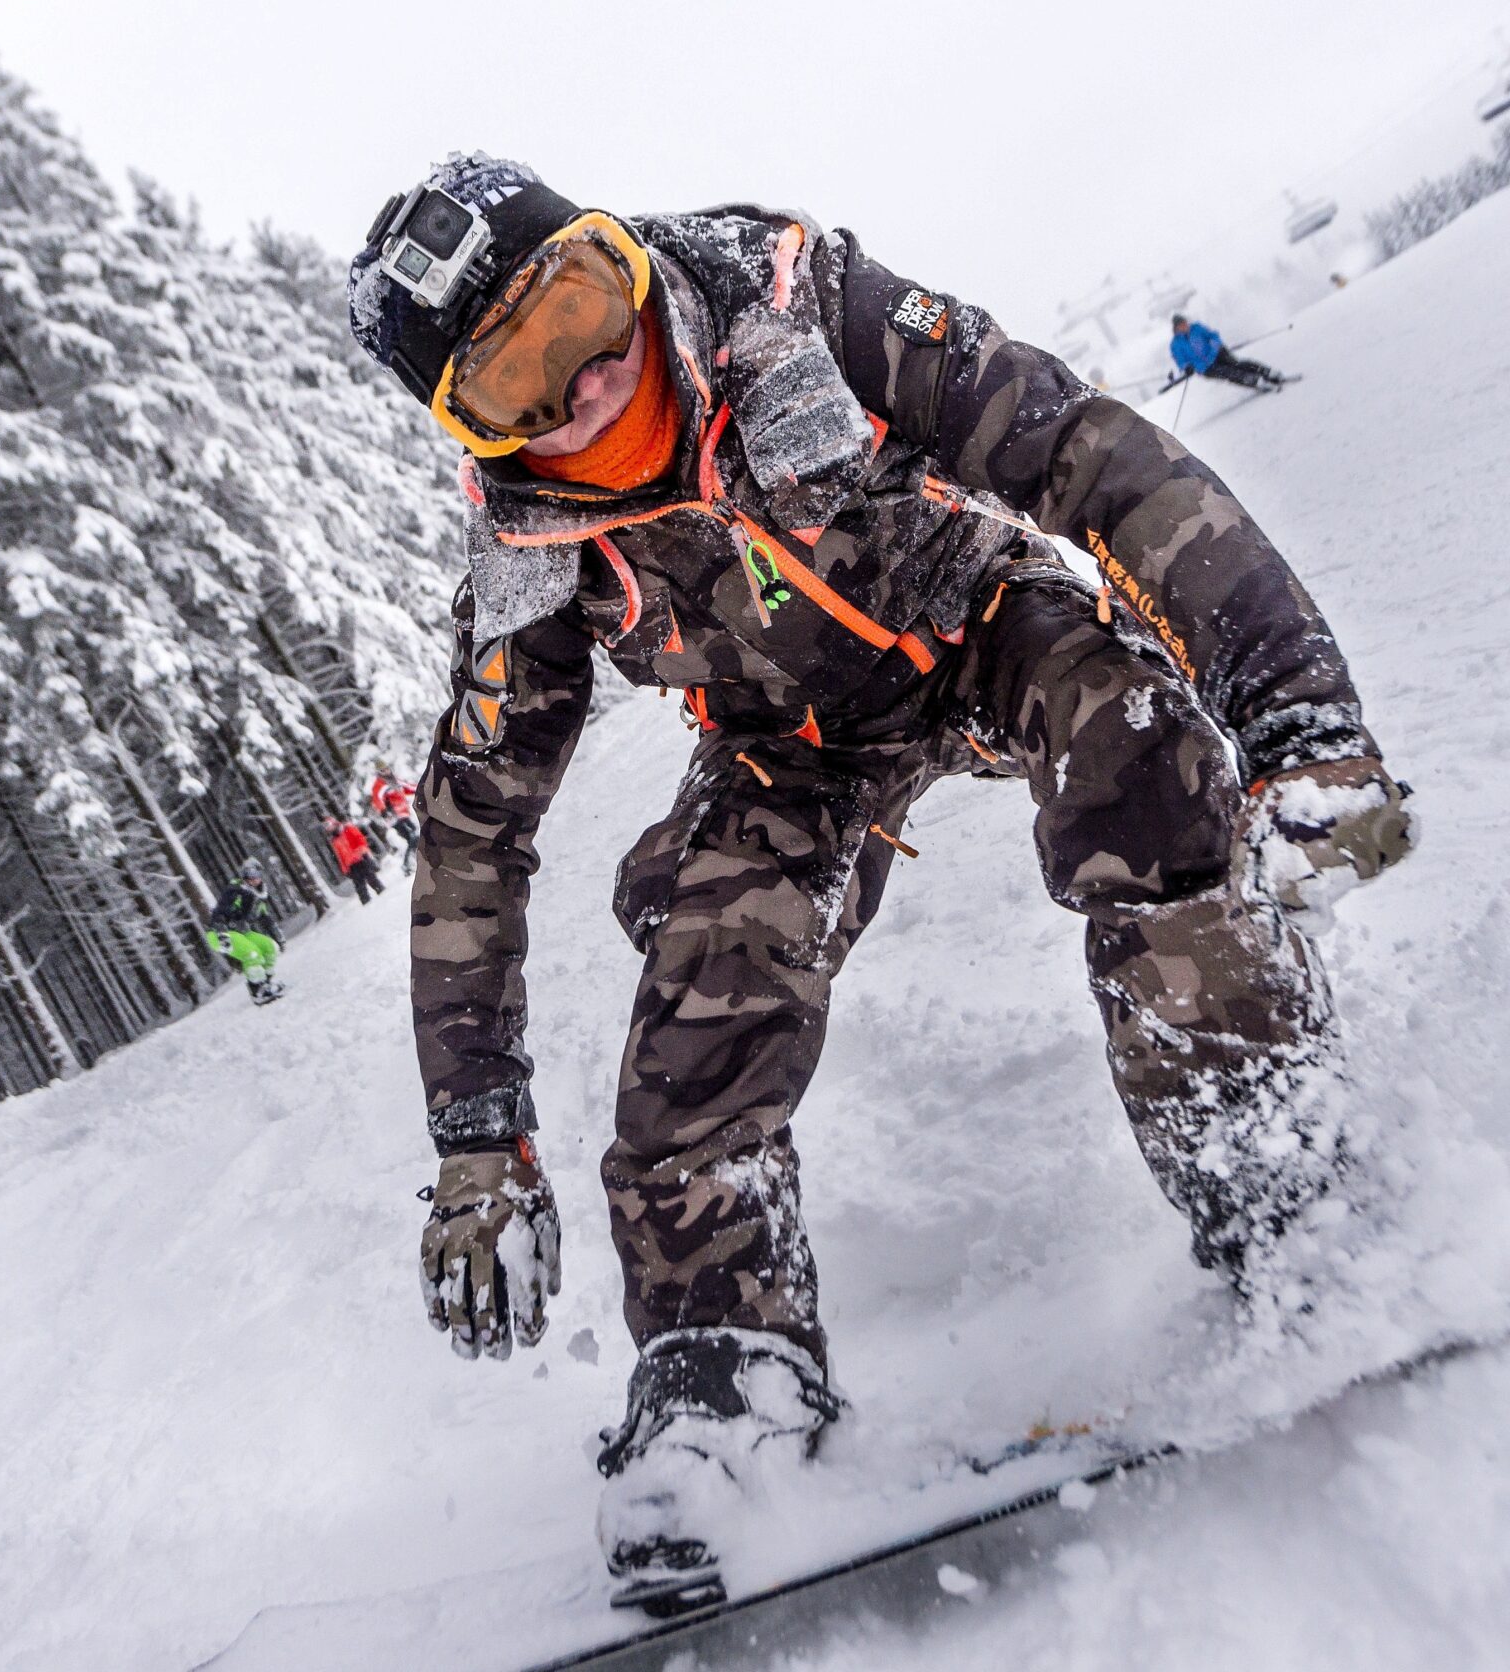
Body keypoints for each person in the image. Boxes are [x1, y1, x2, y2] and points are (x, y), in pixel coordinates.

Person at [350, 154, 1412, 1603]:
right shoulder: (534, 559)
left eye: (579, 309)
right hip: (787, 746)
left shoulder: (798, 306)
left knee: (1140, 754)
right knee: (701, 1003)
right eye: (514, 383)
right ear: (470, 428)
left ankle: (1265, 1155)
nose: (585, 382)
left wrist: (1294, 717)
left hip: (974, 616)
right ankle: (726, 1368)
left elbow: (1090, 456)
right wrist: (479, 1141)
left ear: (621, 258)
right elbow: (474, 835)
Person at [205, 858, 285, 1005]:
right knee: (252, 953)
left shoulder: (257, 895)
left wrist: (276, 934)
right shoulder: (236, 890)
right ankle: (257, 990)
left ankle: (265, 983)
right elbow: (221, 909)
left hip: (240, 931)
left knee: (269, 947)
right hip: (220, 933)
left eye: (257, 874)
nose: (255, 879)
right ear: (244, 876)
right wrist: (220, 927)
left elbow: (263, 915)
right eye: (250, 874)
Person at [1167, 312, 1289, 394]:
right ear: (1176, 328)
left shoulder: (1197, 328)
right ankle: (1256, 381)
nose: (1185, 325)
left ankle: (1270, 373)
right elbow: (1180, 361)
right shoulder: (1175, 344)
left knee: (1238, 364)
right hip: (1204, 367)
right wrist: (1187, 367)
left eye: (1185, 322)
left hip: (1216, 353)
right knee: (1229, 374)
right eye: (1181, 325)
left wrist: (1216, 346)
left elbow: (1213, 336)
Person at [367, 764, 420, 867]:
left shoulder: (394, 780)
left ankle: (415, 859)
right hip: (393, 815)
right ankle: (408, 862)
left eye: (387, 769)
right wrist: (383, 811)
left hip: (403, 812)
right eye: (383, 770)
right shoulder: (380, 784)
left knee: (412, 836)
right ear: (379, 773)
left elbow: (408, 787)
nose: (386, 772)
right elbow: (377, 799)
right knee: (412, 834)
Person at [325, 814, 383, 903]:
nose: (329, 830)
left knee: (371, 878)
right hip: (351, 864)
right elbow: (339, 855)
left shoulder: (348, 829)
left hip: (361, 858)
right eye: (328, 829)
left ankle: (382, 893)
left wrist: (361, 852)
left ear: (334, 824)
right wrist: (344, 868)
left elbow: (360, 839)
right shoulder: (334, 840)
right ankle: (366, 902)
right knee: (359, 885)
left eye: (330, 827)